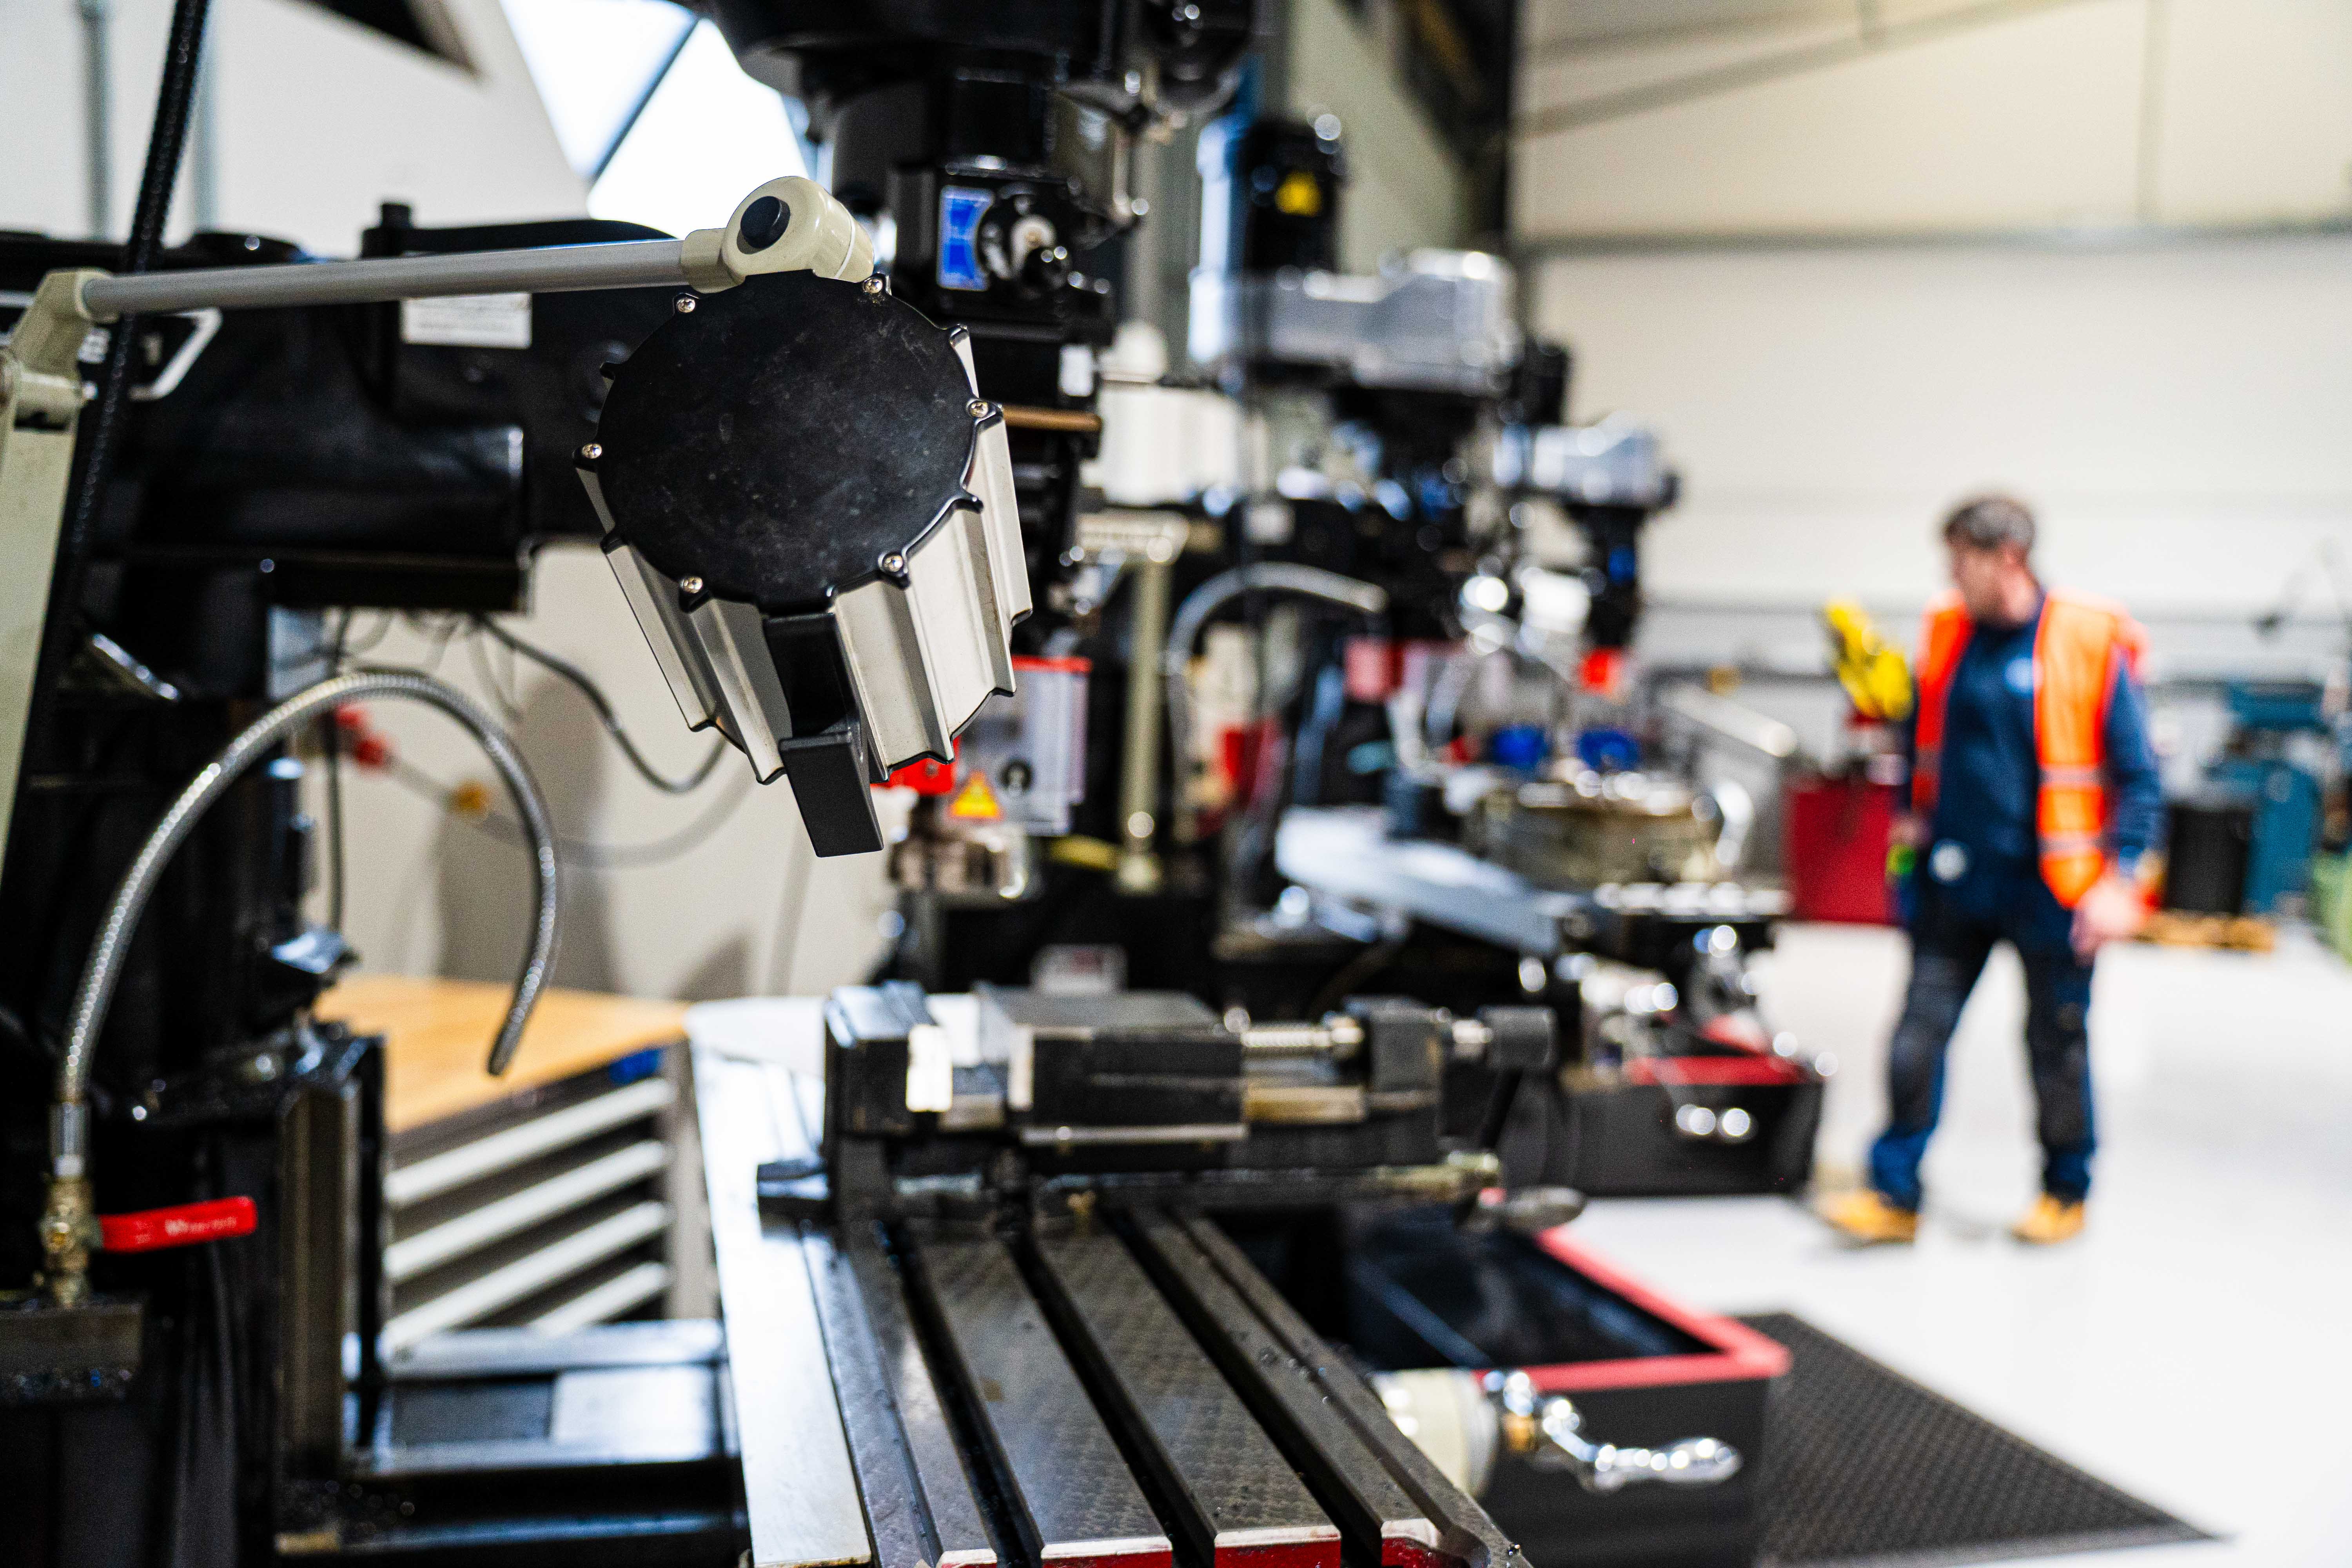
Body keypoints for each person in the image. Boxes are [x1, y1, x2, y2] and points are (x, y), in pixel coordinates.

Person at [1822, 495, 2164, 1247]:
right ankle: (1895, 1191)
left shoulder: (2082, 641)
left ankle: (2065, 1191)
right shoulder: (1948, 631)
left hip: (2052, 891)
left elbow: (2139, 777)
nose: (1950, 575)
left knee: (2055, 1048)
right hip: (1956, 883)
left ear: (2007, 555)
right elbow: (1922, 740)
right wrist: (1912, 825)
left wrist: (2119, 879)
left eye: (1962, 558)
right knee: (1916, 1038)